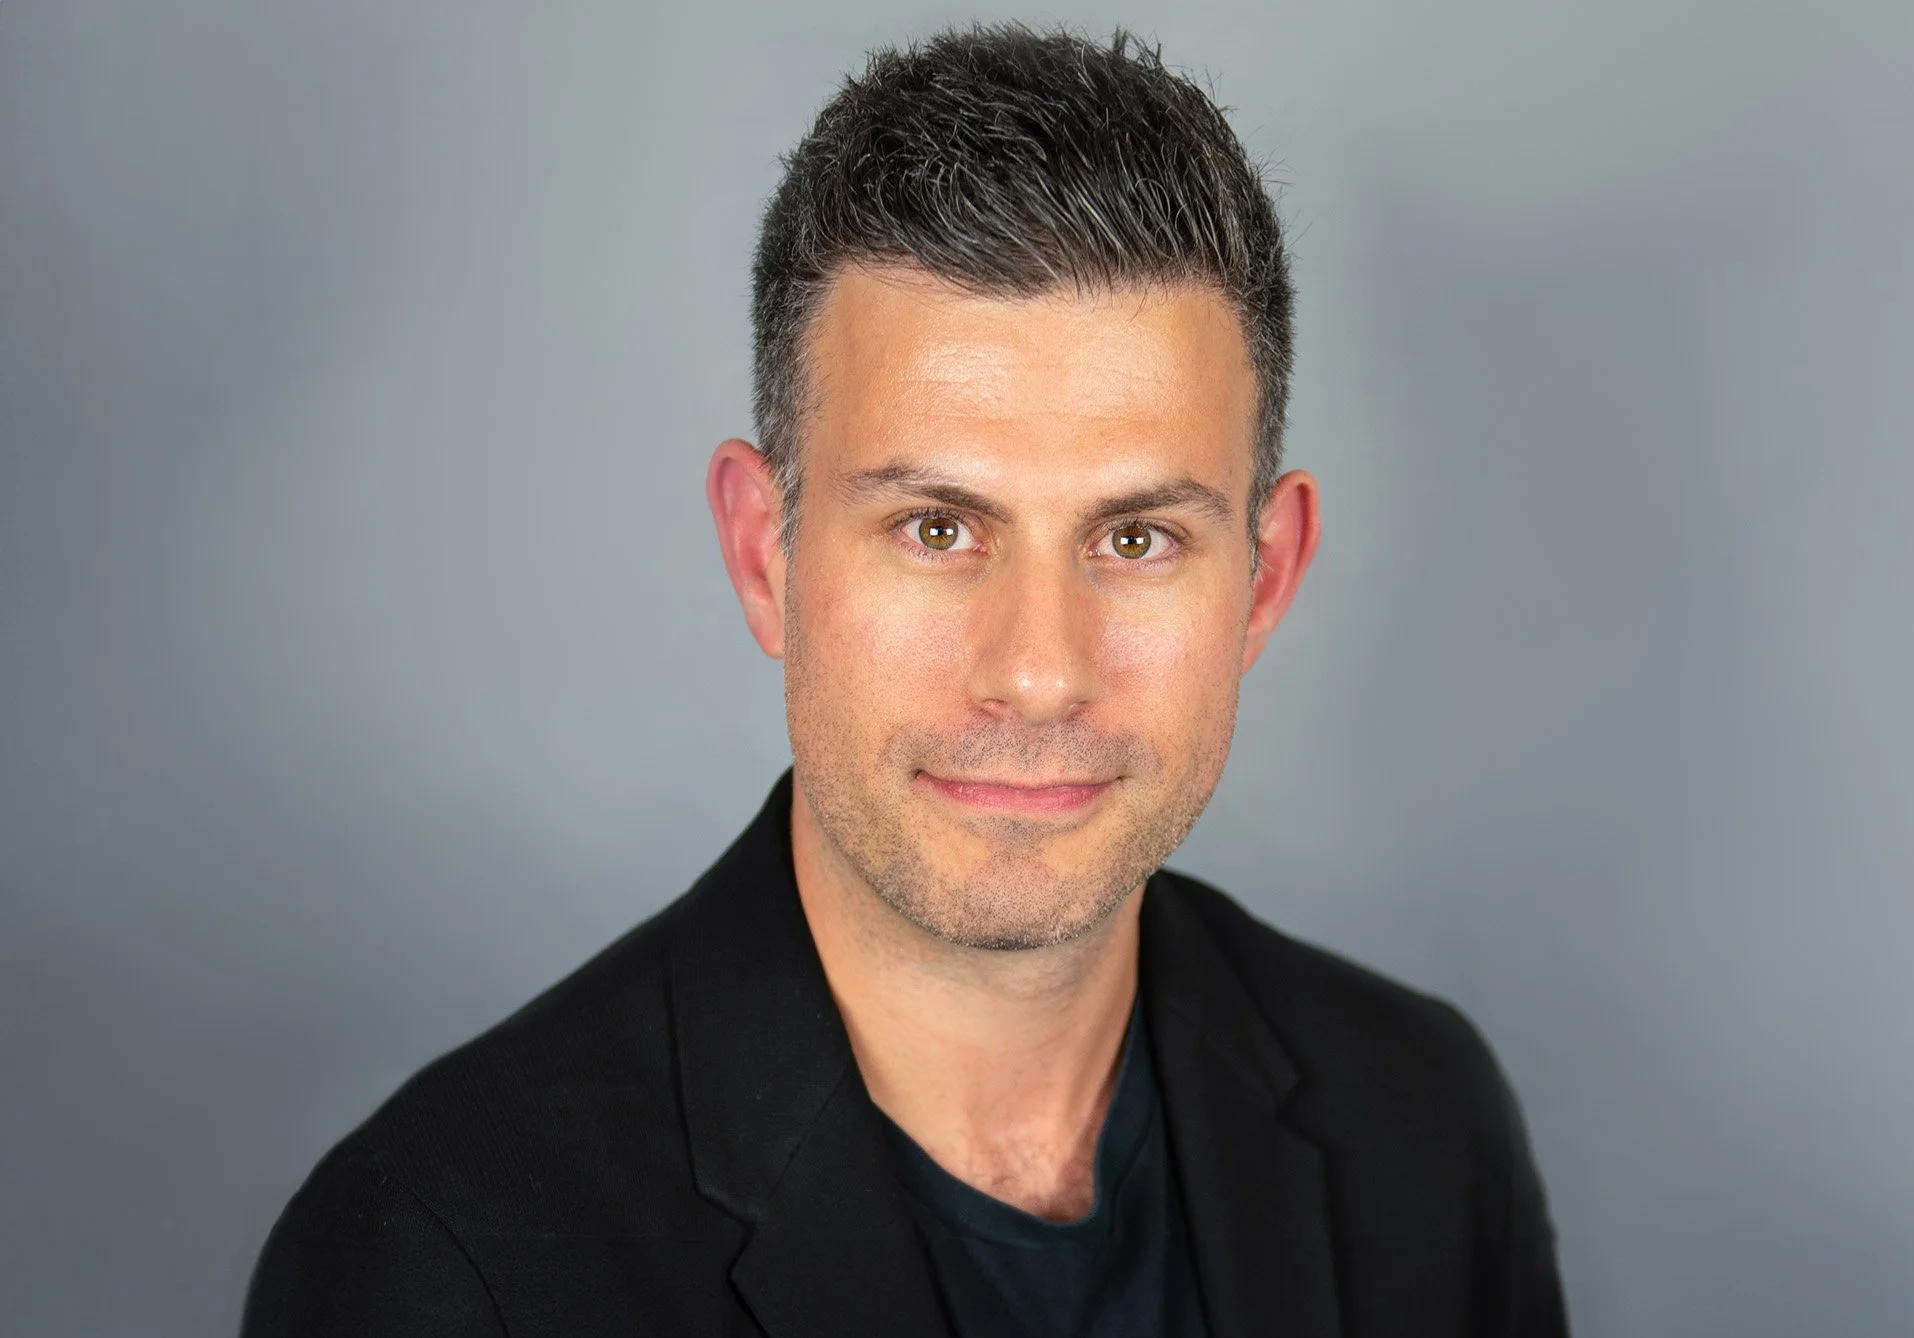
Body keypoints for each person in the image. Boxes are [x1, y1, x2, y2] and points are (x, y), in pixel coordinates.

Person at [244, 23, 1568, 1338]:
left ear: (1266, 578)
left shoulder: (1421, 1125)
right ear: (765, 554)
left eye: (1137, 537)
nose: (1040, 671)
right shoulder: (444, 1263)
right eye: (939, 528)